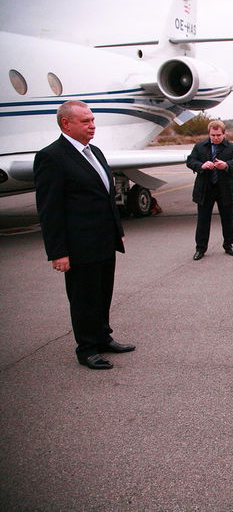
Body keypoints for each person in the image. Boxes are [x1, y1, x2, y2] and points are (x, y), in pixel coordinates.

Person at [33, 100, 135, 370]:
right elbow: (49, 209)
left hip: (104, 240)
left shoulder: (95, 152)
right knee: (83, 298)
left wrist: (118, 231)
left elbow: (106, 197)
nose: (92, 126)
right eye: (85, 122)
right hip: (79, 245)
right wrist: (58, 252)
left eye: (92, 121)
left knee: (103, 293)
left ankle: (103, 337)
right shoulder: (51, 157)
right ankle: (87, 348)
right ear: (66, 124)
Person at [186, 120, 233, 260]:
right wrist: (201, 165)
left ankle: (228, 244)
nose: (216, 138)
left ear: (224, 134)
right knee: (203, 220)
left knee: (228, 219)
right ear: (209, 134)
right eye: (213, 135)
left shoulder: (231, 147)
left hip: (225, 188)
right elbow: (190, 161)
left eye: (218, 135)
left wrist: (227, 165)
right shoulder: (199, 147)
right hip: (205, 188)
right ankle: (200, 248)